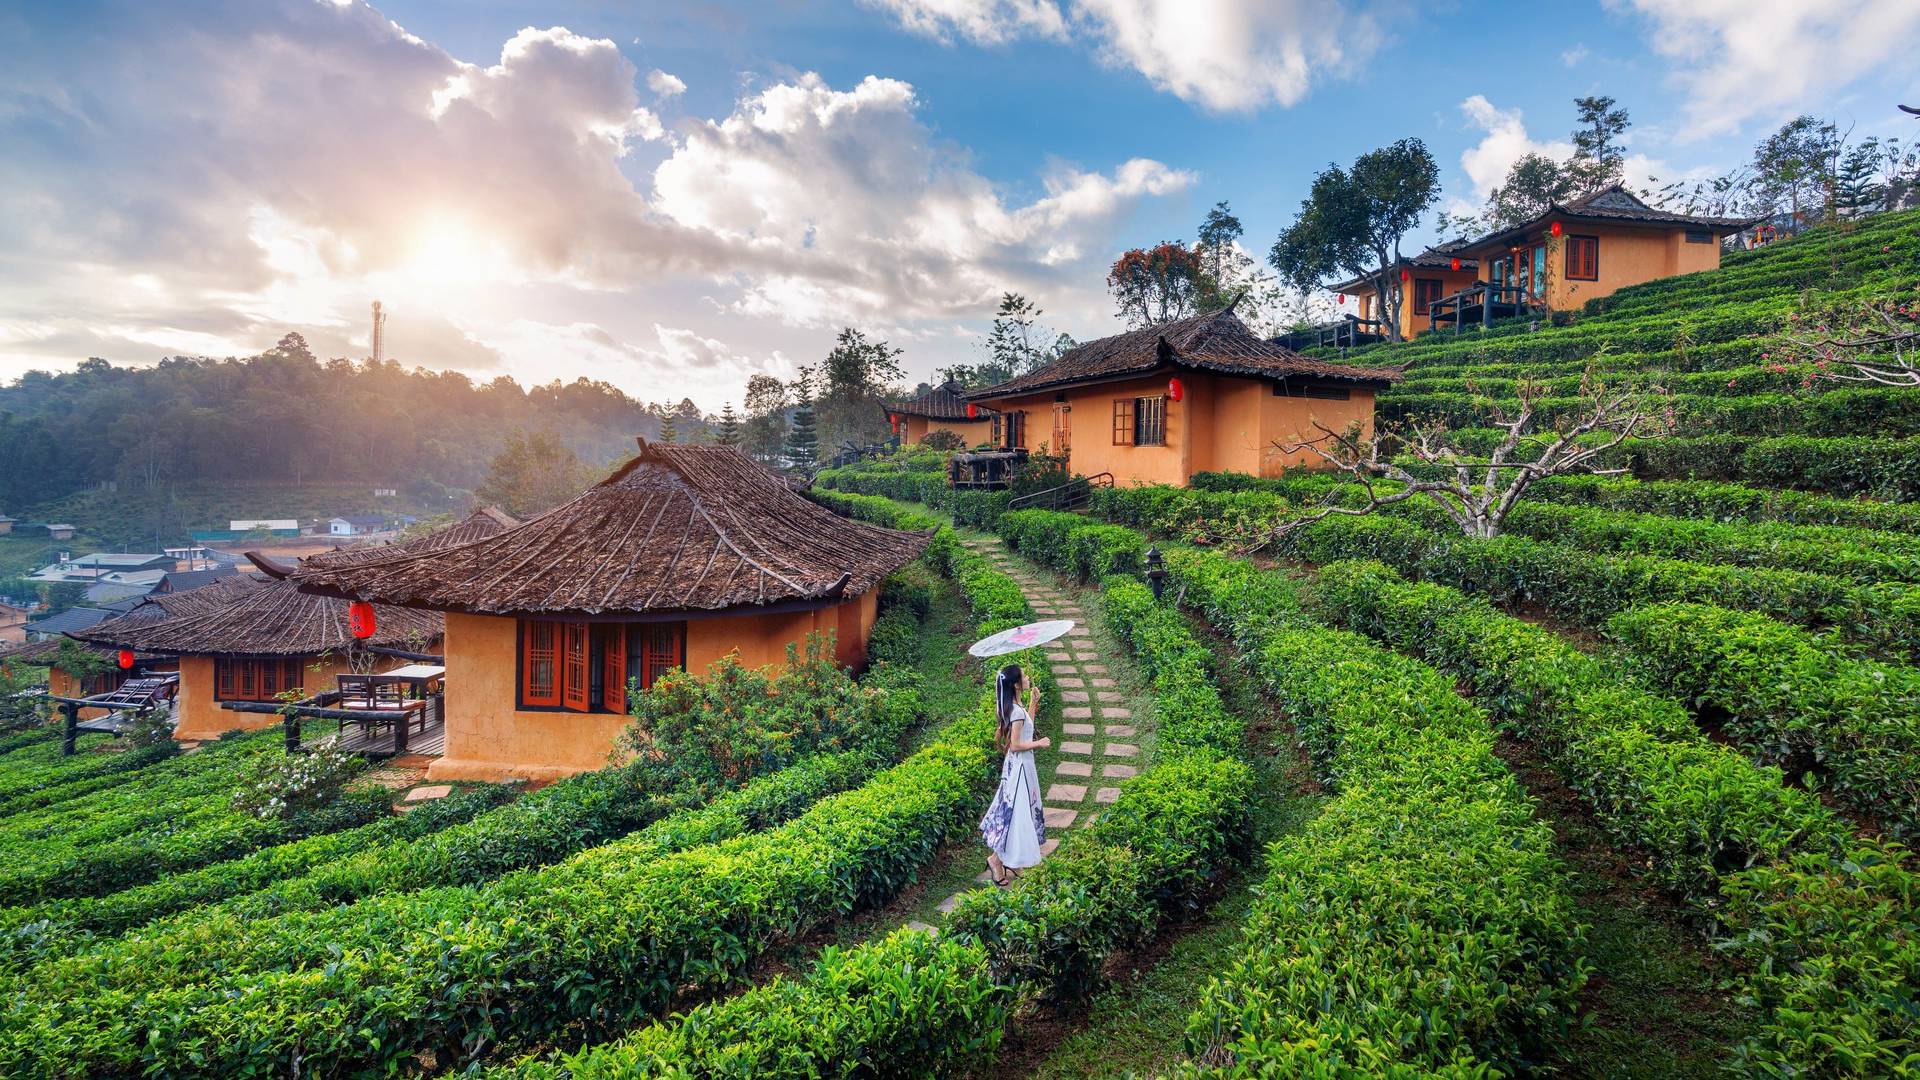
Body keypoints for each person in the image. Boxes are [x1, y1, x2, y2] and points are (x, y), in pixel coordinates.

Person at [980, 661, 1049, 886]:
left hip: (1019, 767)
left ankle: (1012, 860)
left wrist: (1032, 703)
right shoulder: (1015, 711)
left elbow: (1025, 725)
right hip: (1019, 768)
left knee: (1020, 813)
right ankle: (996, 860)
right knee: (1016, 815)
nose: (1028, 677)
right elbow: (1017, 744)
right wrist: (1040, 743)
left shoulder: (1014, 707)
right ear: (1017, 685)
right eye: (1024, 676)